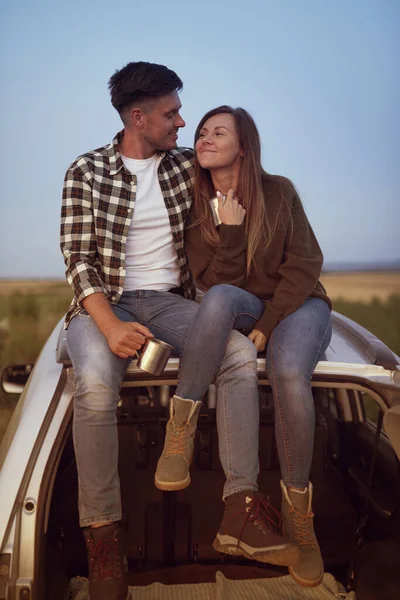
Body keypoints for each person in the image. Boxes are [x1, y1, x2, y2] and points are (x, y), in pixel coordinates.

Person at [60, 65, 298, 600]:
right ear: (137, 117)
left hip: (173, 303)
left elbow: (242, 170)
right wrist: (111, 325)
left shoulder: (184, 166)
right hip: (104, 303)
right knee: (95, 385)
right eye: (171, 114)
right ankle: (104, 535)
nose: (182, 123)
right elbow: (78, 261)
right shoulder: (87, 171)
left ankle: (240, 512)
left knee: (237, 353)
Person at [156, 105, 332, 588]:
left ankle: (300, 518)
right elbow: (217, 283)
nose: (205, 138)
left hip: (299, 307)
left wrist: (272, 322)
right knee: (215, 298)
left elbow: (305, 262)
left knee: (290, 374)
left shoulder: (278, 192)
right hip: (246, 306)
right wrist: (229, 230)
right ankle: (182, 426)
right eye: (202, 132)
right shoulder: (197, 209)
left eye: (218, 132)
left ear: (243, 145)